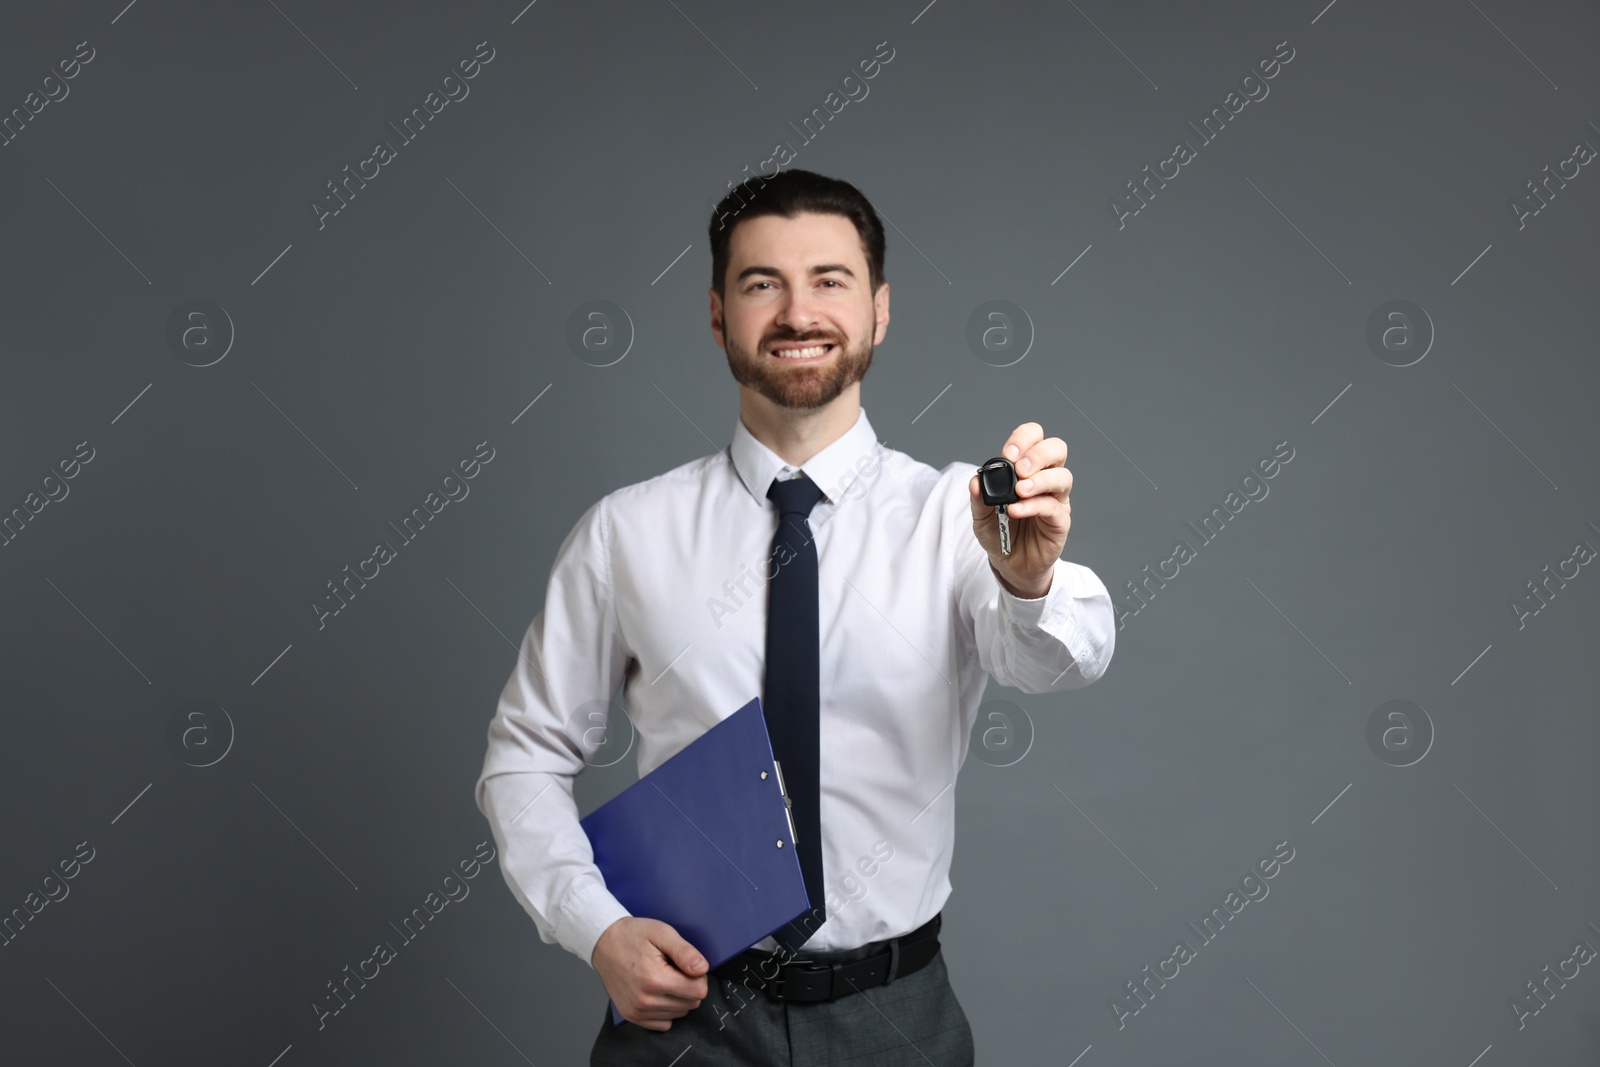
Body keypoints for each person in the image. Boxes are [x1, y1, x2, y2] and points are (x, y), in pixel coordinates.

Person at [474, 168, 1116, 1066]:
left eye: (830, 280)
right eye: (761, 283)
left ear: (880, 310)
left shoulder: (954, 520)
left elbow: (1063, 658)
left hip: (898, 1020)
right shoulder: (626, 533)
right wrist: (596, 928)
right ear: (715, 314)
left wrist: (1029, 580)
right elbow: (524, 758)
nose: (797, 312)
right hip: (687, 1023)